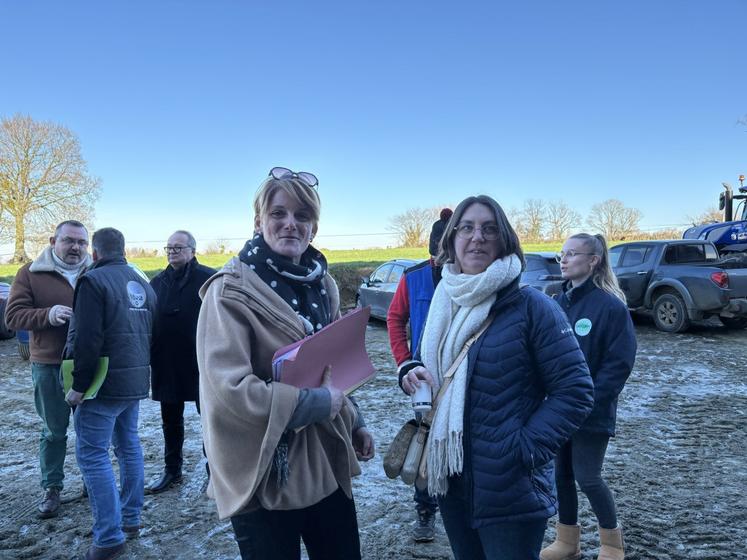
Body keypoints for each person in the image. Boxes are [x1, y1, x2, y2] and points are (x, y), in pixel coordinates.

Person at [398, 195, 595, 560]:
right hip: (453, 481)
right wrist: (411, 371)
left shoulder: (533, 307)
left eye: (489, 229)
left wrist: (523, 449)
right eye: (467, 228)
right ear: (452, 240)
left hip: (511, 488)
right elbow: (438, 367)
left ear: (505, 239)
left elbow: (576, 391)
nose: (478, 237)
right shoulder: (447, 302)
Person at [196, 166, 375, 560]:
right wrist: (314, 404)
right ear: (258, 221)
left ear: (314, 227)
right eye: (278, 213)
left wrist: (355, 420)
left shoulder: (323, 285)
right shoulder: (228, 293)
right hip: (264, 475)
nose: (290, 224)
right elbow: (229, 391)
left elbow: (332, 367)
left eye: (302, 215)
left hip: (324, 462)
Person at [540, 234, 636, 560]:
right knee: (561, 476)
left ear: (593, 261)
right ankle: (567, 542)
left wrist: (586, 403)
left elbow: (619, 364)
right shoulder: (556, 301)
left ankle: (612, 545)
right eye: (561, 254)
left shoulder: (611, 306)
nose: (563, 260)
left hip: (591, 413)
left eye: (571, 254)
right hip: (557, 409)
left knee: (588, 477)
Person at [65, 227, 157, 560]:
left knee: (92, 455)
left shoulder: (93, 281)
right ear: (123, 250)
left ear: (95, 252)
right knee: (128, 445)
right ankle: (130, 519)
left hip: (102, 386)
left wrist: (78, 386)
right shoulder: (142, 283)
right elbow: (150, 334)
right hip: (133, 382)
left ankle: (108, 537)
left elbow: (86, 339)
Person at [4, 220, 92, 518]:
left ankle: (91, 483)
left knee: (90, 429)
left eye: (81, 242)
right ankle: (52, 487)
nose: (75, 247)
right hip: (49, 364)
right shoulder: (30, 273)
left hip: (88, 365)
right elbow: (13, 317)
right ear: (53, 241)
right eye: (69, 241)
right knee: (54, 431)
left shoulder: (95, 271)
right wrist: (47, 314)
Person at [386, 210, 451, 542]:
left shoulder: (470, 275)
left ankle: (459, 509)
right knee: (425, 443)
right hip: (423, 380)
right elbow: (395, 320)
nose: (439, 260)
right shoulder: (413, 277)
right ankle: (425, 512)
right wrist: (404, 363)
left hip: (461, 377)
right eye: (435, 254)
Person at [147, 230, 215, 494]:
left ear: (192, 251)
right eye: (169, 248)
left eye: (178, 247)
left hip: (201, 361)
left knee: (209, 418)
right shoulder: (157, 282)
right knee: (170, 420)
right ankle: (172, 470)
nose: (172, 252)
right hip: (166, 359)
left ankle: (216, 471)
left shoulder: (208, 278)